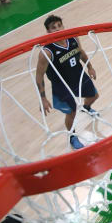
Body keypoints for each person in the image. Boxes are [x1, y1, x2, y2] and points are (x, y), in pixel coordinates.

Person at [35, 15, 99, 150]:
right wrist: (43, 98)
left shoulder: (74, 38)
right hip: (62, 85)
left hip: (78, 75)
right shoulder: (46, 52)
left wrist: (90, 67)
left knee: (94, 96)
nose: (58, 29)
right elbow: (39, 76)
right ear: (48, 31)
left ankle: (86, 107)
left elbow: (80, 52)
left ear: (63, 26)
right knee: (71, 112)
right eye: (53, 27)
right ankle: (72, 136)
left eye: (59, 25)